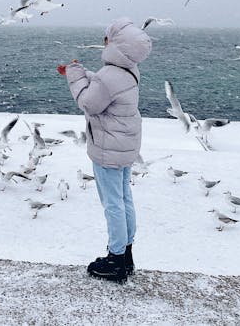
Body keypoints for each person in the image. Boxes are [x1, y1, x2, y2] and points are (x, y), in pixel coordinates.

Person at [57, 18, 152, 283]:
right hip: (125, 145)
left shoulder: (109, 76)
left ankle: (116, 260)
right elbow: (103, 84)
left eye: (108, 38)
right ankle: (127, 255)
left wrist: (75, 75)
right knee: (124, 199)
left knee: (112, 204)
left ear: (117, 44)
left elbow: (89, 102)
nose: (104, 41)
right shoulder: (129, 69)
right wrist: (82, 73)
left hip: (108, 148)